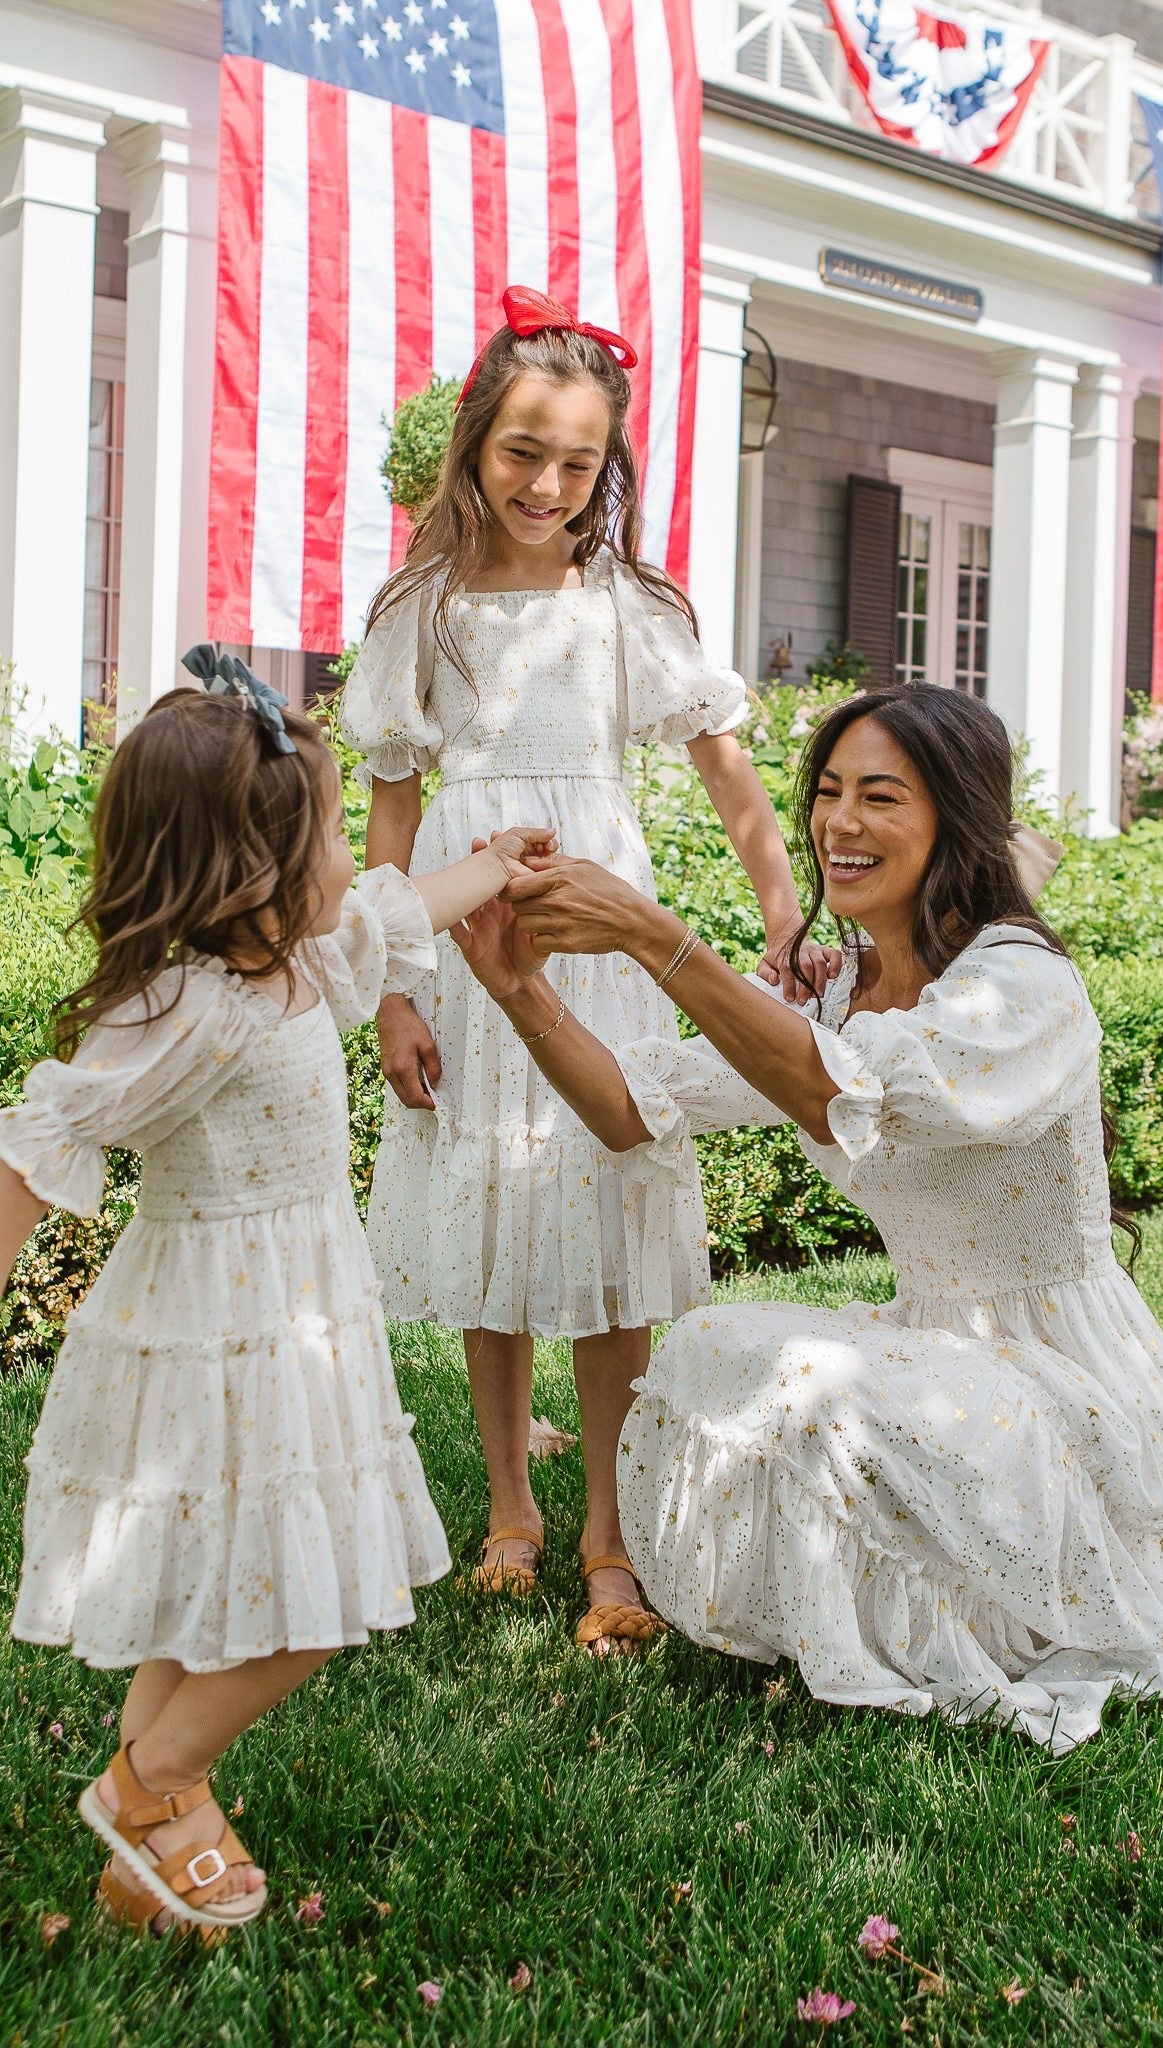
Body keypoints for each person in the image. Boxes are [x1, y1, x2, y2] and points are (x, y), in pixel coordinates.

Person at [453, 683, 1163, 1749]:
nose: (839, 822)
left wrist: (653, 934)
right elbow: (622, 1108)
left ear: (956, 820)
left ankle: (988, 1600)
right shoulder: (836, 992)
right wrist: (515, 985)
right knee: (710, 1346)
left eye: (881, 795)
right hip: (934, 1340)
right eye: (828, 791)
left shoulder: (1022, 988)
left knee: (819, 1395)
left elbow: (830, 1089)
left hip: (1072, 1386)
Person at [0, 661, 553, 1932]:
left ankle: (150, 1850)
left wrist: (499, 861)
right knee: (314, 1599)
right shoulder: (186, 1012)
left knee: (213, 1580)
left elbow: (402, 901)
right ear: (244, 870)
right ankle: (155, 1780)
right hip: (211, 1326)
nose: (347, 860)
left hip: (301, 1310)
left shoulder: (307, 960)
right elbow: (43, 1139)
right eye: (322, 840)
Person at [342, 285, 832, 1654]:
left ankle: (611, 1532)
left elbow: (726, 770)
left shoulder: (624, 604)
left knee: (609, 1219)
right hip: (458, 937)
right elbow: (388, 808)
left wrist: (780, 905)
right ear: (470, 443)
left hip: (594, 932)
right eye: (521, 453)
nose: (548, 484)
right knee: (488, 1218)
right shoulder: (419, 612)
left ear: (605, 465)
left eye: (576, 461)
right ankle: (512, 1510)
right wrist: (390, 985)